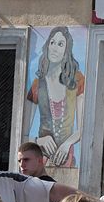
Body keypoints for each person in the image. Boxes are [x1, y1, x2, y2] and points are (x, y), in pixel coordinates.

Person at [22, 26, 85, 168]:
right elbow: (22, 133)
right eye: (52, 42)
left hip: (65, 156)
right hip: (39, 157)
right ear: (47, 46)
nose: (55, 48)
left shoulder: (77, 80)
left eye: (60, 44)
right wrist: (39, 140)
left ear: (66, 50)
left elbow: (82, 129)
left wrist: (67, 144)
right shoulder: (37, 85)